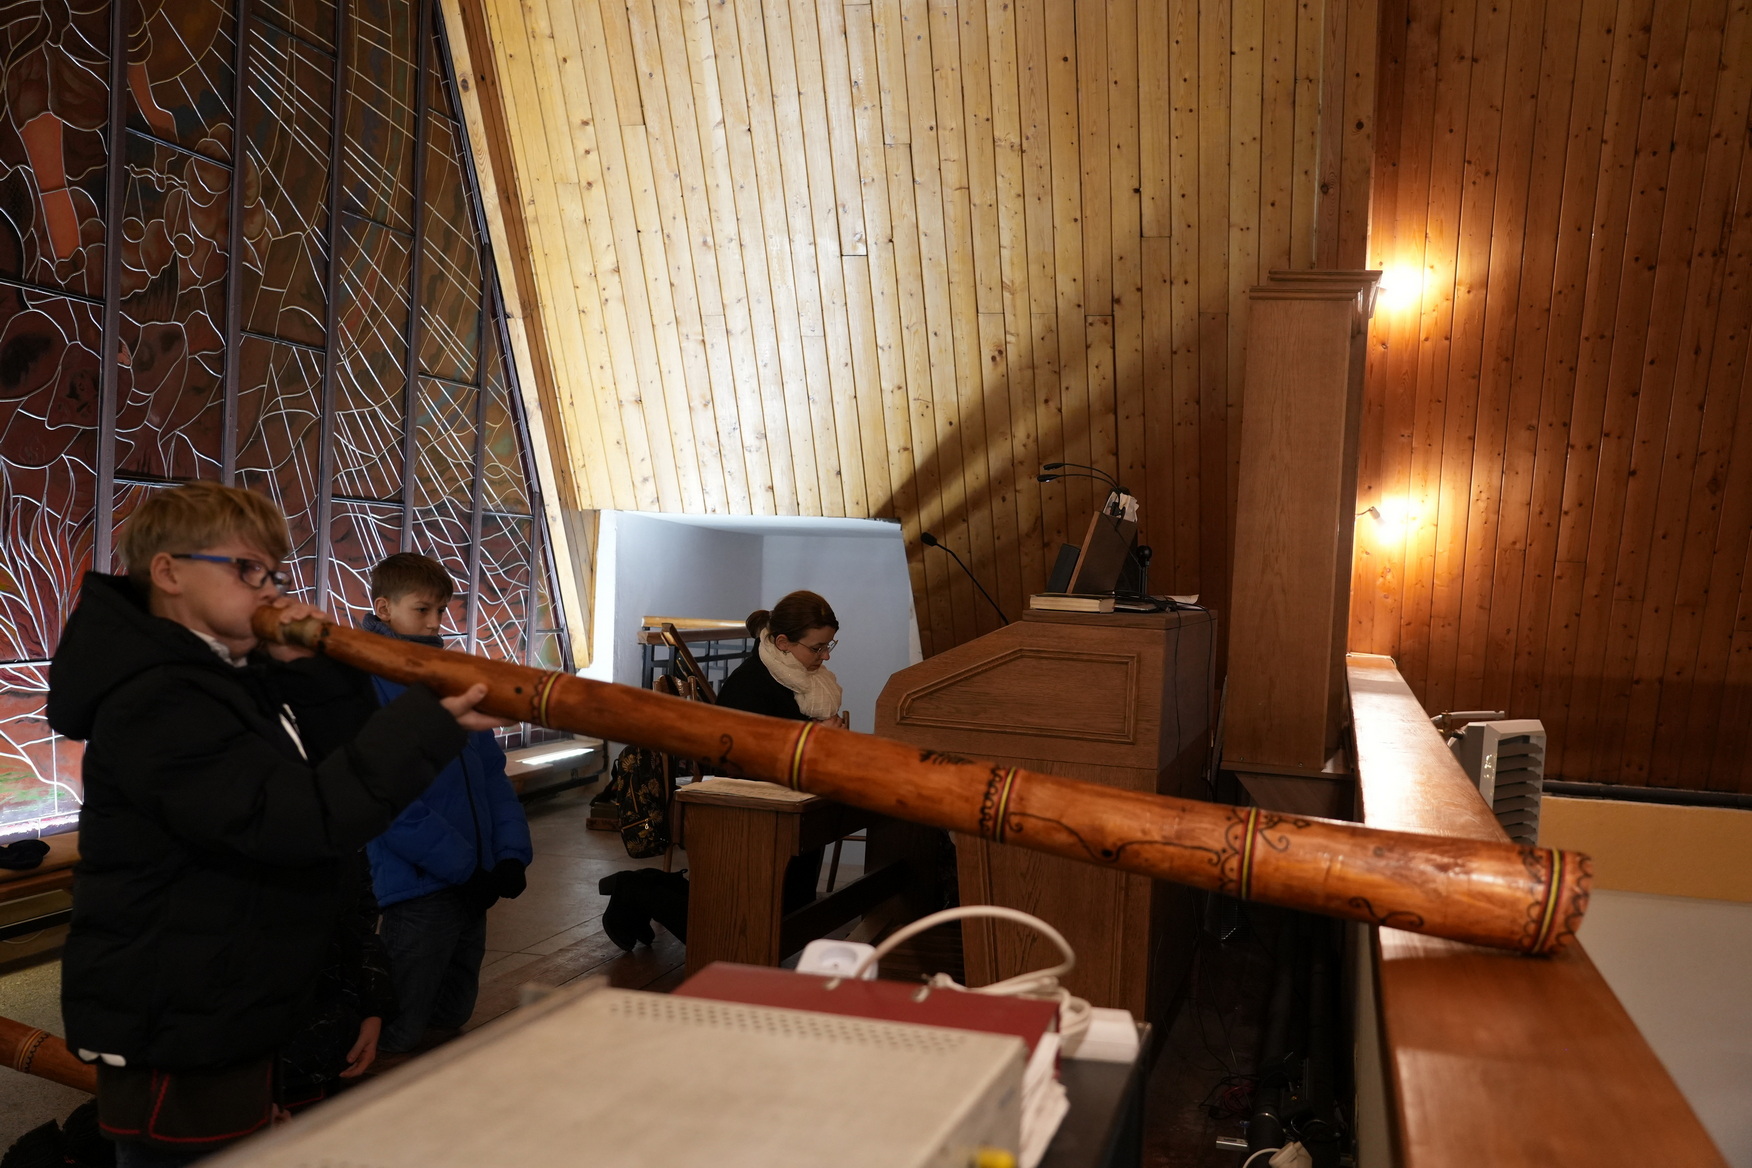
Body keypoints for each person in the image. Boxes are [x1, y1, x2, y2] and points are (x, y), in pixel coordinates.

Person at [46, 482, 499, 1167]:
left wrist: (314, 672)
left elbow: (332, 770)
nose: (269, 591)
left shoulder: (228, 673)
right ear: (168, 572)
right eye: (246, 570)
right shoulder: (157, 696)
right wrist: (427, 722)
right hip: (179, 1013)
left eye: (273, 574)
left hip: (236, 999)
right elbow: (300, 820)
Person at [361, 553, 532, 1057]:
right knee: (398, 1030)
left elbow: (490, 773)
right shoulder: (367, 683)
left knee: (452, 1012)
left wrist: (509, 854)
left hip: (472, 880)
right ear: (384, 608)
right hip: (418, 886)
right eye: (423, 610)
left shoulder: (452, 676)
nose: (436, 623)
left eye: (442, 610)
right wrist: (462, 868)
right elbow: (390, 800)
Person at [716, 591, 847, 727]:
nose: (826, 656)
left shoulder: (813, 676)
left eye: (828, 646)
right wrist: (818, 735)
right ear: (783, 643)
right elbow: (742, 739)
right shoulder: (745, 685)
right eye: (817, 648)